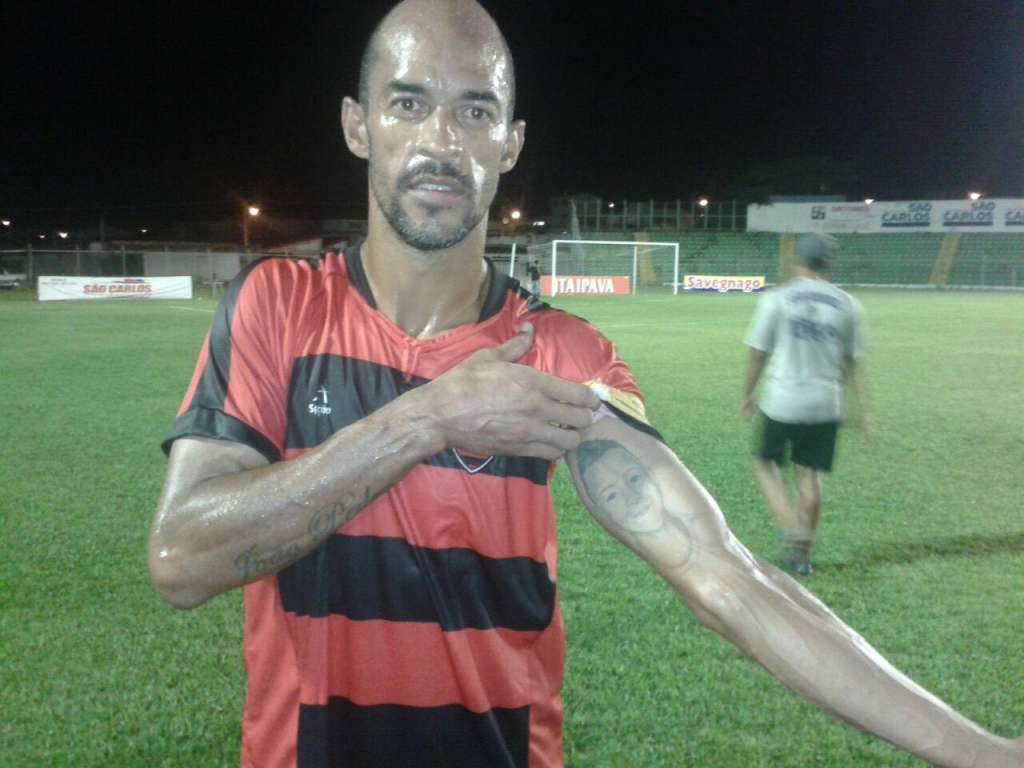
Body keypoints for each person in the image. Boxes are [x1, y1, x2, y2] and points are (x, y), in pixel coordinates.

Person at [148, 3, 1023, 766]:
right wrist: (423, 418)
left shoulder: (565, 358)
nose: (441, 141)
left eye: (475, 110)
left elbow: (730, 579)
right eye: (408, 103)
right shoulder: (276, 306)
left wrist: (987, 754)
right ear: (358, 123)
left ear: (511, 142)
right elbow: (182, 560)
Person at [741, 233, 867, 575]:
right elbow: (851, 362)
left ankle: (789, 528)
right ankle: (803, 556)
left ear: (797, 261)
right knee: (809, 476)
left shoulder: (778, 299)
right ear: (827, 263)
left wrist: (747, 392)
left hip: (784, 399)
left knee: (766, 464)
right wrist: (857, 408)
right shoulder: (848, 303)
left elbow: (758, 353)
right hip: (827, 403)